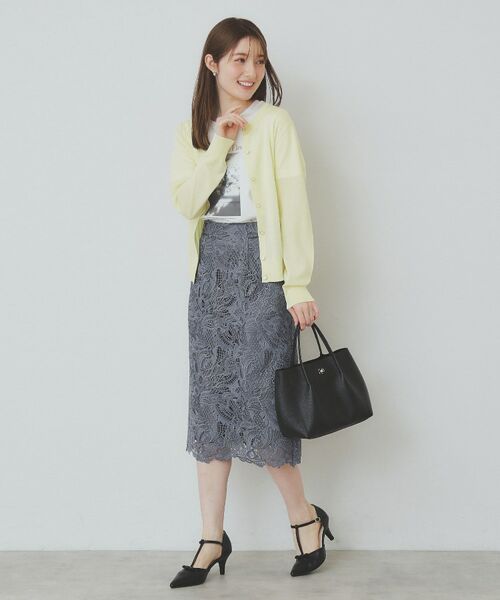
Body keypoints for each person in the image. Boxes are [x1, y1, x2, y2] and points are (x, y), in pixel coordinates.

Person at [168, 17, 334, 588]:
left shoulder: (276, 123)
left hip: (264, 274)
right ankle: (211, 539)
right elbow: (187, 203)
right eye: (239, 59)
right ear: (212, 63)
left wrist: (297, 283)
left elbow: (295, 204)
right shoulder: (193, 130)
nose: (250, 71)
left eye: (258, 60)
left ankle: (305, 518)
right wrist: (220, 142)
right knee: (210, 406)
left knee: (265, 405)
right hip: (210, 276)